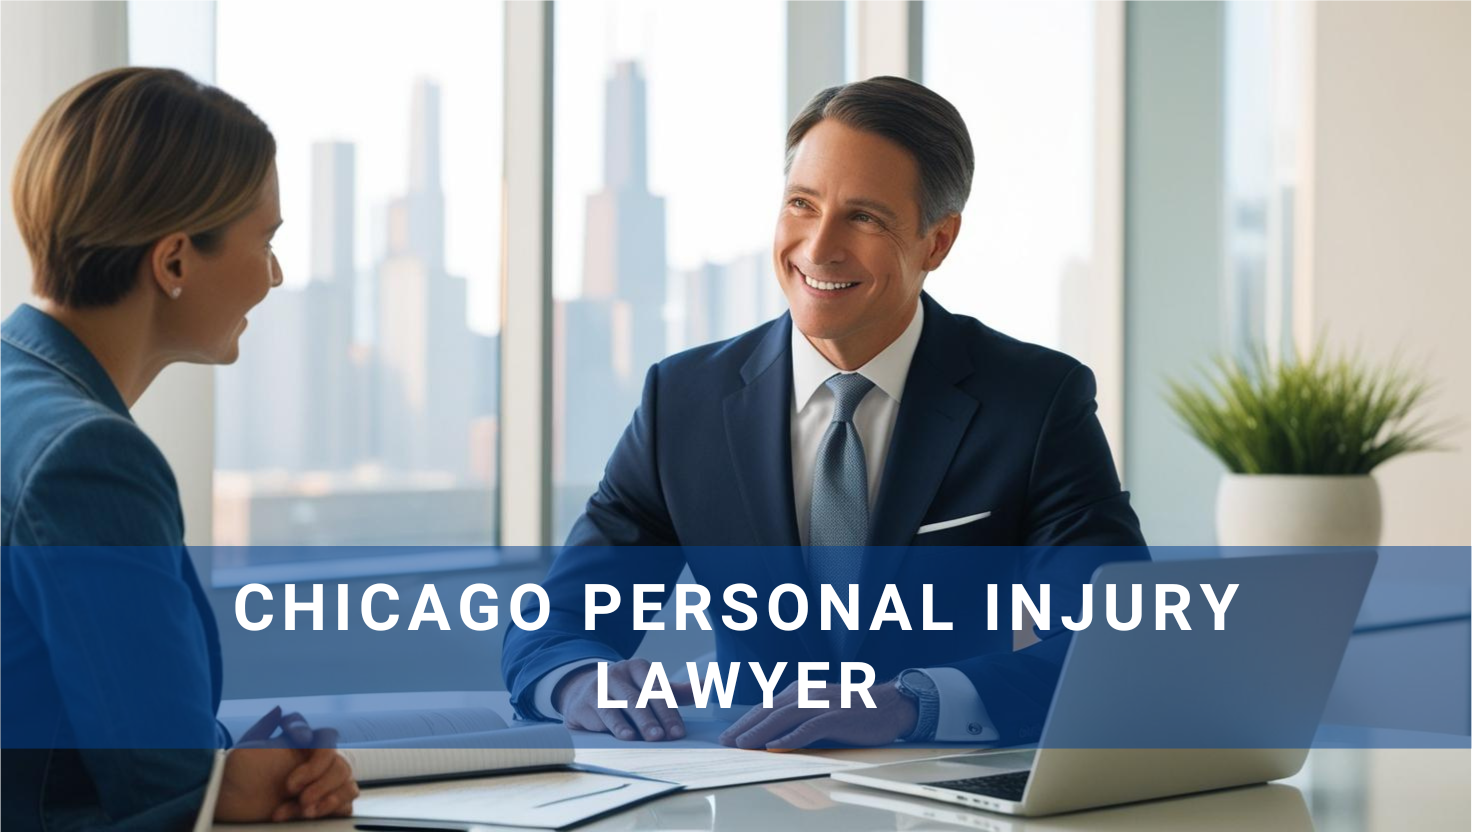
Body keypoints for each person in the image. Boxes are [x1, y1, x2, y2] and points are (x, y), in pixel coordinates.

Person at [502, 77, 1148, 749]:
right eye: (802, 205)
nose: (817, 247)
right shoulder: (684, 401)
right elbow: (556, 622)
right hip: (741, 789)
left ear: (937, 242)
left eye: (864, 217)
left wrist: (912, 702)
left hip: (942, 790)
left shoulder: (1034, 402)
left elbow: (1115, 641)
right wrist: (579, 679)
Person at [2, 67, 357, 828]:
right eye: (265, 240)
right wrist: (228, 782)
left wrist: (227, 771)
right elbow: (164, 786)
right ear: (173, 262)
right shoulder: (86, 457)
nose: (276, 273)